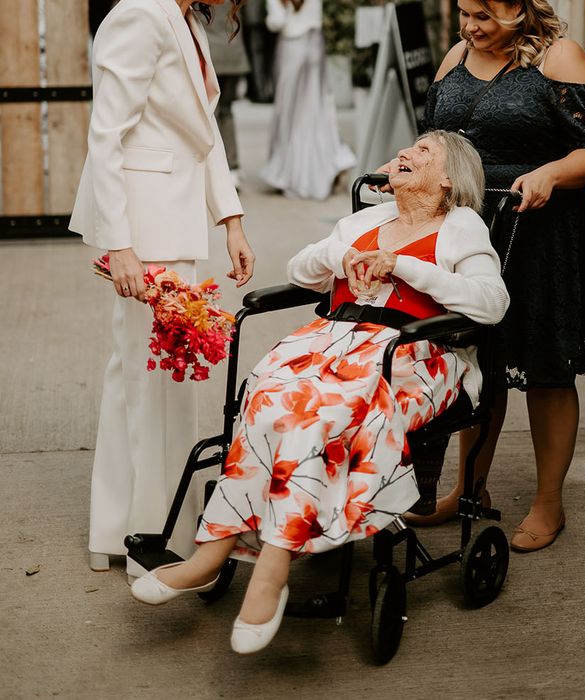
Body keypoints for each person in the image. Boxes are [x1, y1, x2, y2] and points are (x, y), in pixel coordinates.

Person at [129, 130, 509, 654]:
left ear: (448, 179)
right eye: (406, 147)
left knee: (317, 415)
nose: (405, 153)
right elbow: (298, 272)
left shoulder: (460, 225)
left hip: (416, 352)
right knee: (264, 397)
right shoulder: (364, 222)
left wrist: (402, 265)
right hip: (333, 340)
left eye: (423, 152)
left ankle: (272, 568)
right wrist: (343, 255)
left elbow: (492, 304)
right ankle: (211, 553)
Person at [392, 0, 585, 554]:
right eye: (465, 12)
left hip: (541, 232)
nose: (470, 26)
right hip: (468, 232)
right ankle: (469, 488)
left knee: (546, 366)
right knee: (475, 356)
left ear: (519, 7)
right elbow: (433, 144)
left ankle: (548, 501)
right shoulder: (456, 56)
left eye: (484, 15)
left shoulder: (559, 57)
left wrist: (550, 174)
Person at [69, 0, 255, 578]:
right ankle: (148, 537)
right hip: (143, 230)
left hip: (173, 227)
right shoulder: (139, 14)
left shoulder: (187, 20)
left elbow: (203, 137)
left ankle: (125, 528)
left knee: (151, 381)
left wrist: (232, 220)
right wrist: (119, 243)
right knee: (148, 382)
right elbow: (107, 134)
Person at [259, 0, 356, 199]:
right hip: (314, 46)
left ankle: (290, 174)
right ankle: (331, 160)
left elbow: (276, 22)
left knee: (289, 114)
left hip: (291, 47)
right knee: (317, 110)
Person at [204, 4, 251, 189]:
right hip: (233, 53)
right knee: (227, 111)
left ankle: (215, 167)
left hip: (211, 53)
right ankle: (233, 167)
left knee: (210, 113)